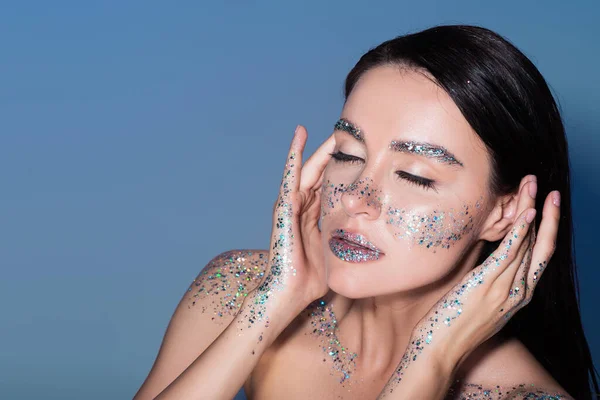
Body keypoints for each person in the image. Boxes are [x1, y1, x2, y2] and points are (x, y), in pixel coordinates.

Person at [133, 25, 599, 400]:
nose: (355, 197)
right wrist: (269, 307)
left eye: (415, 175)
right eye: (348, 154)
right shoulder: (236, 289)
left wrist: (431, 360)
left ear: (505, 211)